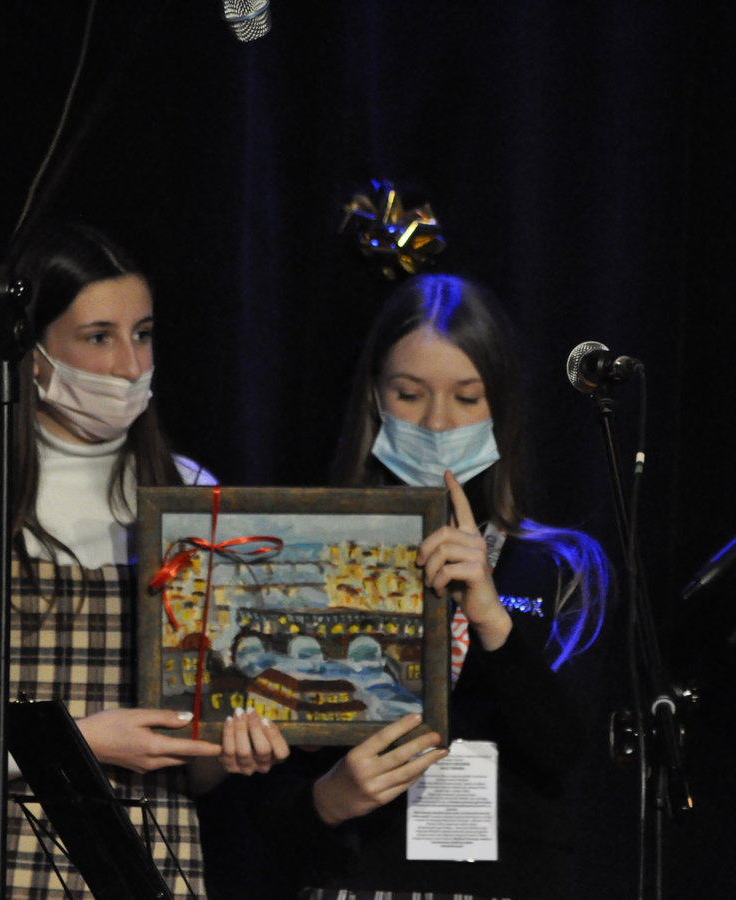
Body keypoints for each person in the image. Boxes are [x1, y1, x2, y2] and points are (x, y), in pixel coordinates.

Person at [0, 221, 288, 898]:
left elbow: (195, 770)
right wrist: (78, 742)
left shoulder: (191, 494)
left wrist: (234, 748)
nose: (130, 365)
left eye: (142, 334)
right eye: (99, 337)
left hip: (154, 864)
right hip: (0, 864)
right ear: (33, 354)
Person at [247, 273, 610, 900]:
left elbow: (568, 751)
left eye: (467, 398)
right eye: (410, 394)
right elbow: (259, 795)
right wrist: (327, 801)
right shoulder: (311, 554)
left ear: (502, 406)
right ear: (375, 398)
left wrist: (492, 620)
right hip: (359, 882)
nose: (438, 423)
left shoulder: (562, 563)